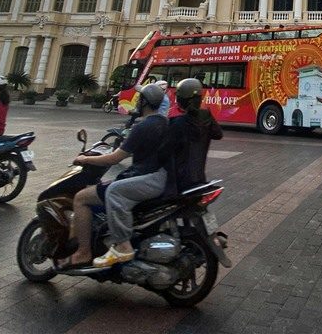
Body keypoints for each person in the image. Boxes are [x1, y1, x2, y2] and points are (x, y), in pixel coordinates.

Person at [65, 83, 171, 268]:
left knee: (81, 198)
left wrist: (86, 159)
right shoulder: (165, 123)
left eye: (139, 99)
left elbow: (114, 158)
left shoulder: (143, 127)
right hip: (155, 177)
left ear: (144, 102)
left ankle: (85, 252)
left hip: (146, 178)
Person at [166, 77, 223, 194]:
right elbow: (218, 134)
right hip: (199, 178)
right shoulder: (205, 116)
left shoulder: (176, 122)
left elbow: (163, 151)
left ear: (180, 99)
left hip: (178, 181)